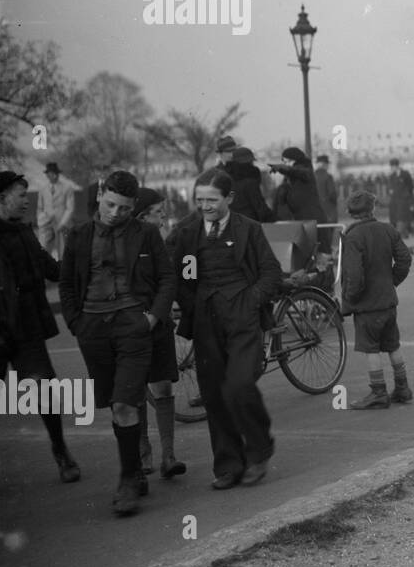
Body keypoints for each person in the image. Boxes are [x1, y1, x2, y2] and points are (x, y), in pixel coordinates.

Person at [60, 170, 175, 515]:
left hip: (133, 326)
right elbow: (66, 285)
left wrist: (151, 318)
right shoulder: (78, 236)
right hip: (93, 329)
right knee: (116, 402)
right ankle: (135, 468)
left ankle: (128, 480)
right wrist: (77, 323)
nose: (115, 213)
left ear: (133, 207)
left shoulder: (147, 233)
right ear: (99, 195)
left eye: (124, 209)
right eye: (110, 205)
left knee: (126, 402)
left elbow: (168, 278)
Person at [168, 170, 283, 489]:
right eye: (199, 199)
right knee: (215, 395)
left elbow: (270, 272)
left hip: (243, 318)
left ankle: (259, 450)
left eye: (211, 200)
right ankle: (229, 464)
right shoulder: (188, 232)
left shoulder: (249, 229)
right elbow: (180, 274)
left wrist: (250, 301)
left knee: (240, 384)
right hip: (206, 319)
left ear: (229, 198)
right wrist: (192, 303)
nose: (204, 206)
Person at [0, 172, 81, 494]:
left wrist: (76, 269)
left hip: (26, 329)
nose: (27, 200)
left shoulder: (23, 231)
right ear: (1, 198)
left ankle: (61, 451)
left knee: (44, 391)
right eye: (20, 195)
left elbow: (47, 265)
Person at [131, 188, 186, 479]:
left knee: (163, 386)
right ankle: (143, 454)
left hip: (159, 324)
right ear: (142, 215)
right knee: (135, 389)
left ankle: (168, 455)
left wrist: (159, 313)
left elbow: (169, 280)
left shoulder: (160, 242)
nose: (163, 215)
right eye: (158, 211)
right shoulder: (124, 242)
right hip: (131, 326)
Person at [341, 190, 414, 408]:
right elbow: (404, 259)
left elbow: (354, 275)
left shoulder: (353, 237)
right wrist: (392, 281)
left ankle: (378, 392)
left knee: (370, 348)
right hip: (388, 300)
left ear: (350, 213)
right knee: (393, 344)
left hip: (367, 305)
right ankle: (402, 387)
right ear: (373, 209)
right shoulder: (388, 230)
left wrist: (350, 298)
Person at [270, 148, 325, 222]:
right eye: (284, 162)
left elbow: (298, 171)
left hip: (310, 220)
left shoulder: (305, 172)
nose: (286, 164)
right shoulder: (289, 178)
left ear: (296, 160)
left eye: (287, 161)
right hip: (300, 220)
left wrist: (283, 168)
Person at [36, 162, 75, 262]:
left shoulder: (67, 188)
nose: (53, 176)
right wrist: (41, 220)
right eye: (50, 173)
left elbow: (70, 208)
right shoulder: (43, 189)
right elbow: (40, 207)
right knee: (43, 248)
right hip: (46, 224)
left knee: (62, 250)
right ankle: (45, 270)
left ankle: (62, 271)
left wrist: (63, 223)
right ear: (47, 175)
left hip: (61, 224)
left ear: (58, 174)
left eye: (55, 173)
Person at [228, 148, 273, 223]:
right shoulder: (250, 182)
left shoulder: (225, 180)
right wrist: (273, 219)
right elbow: (259, 207)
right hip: (249, 224)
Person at [386, 158, 414, 237]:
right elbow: (389, 187)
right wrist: (390, 190)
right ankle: (404, 233)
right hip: (394, 200)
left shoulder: (405, 174)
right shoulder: (391, 176)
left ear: (396, 166)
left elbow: (410, 187)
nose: (391, 168)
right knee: (395, 217)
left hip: (403, 199)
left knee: (402, 217)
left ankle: (400, 233)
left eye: (392, 167)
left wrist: (411, 200)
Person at [314, 155, 340, 225]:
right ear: (324, 164)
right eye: (327, 164)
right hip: (328, 212)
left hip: (314, 213)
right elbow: (332, 194)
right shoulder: (328, 177)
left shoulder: (311, 176)